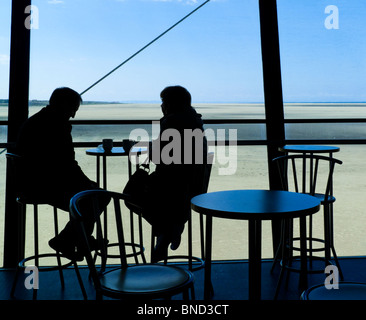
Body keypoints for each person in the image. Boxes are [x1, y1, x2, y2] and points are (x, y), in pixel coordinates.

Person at [16, 87, 109, 261]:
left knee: (92, 196)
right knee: (97, 197)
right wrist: (87, 184)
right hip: (43, 186)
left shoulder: (38, 120)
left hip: (31, 183)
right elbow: (66, 164)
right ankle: (68, 240)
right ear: (63, 104)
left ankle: (80, 240)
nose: (73, 115)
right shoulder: (56, 124)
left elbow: (61, 165)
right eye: (73, 109)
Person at [125, 85, 208, 262]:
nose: (161, 106)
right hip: (192, 185)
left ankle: (167, 230)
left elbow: (161, 157)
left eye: (163, 101)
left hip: (171, 184)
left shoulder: (171, 122)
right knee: (167, 207)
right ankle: (172, 227)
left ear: (170, 104)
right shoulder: (195, 121)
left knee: (131, 196)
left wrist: (135, 149)